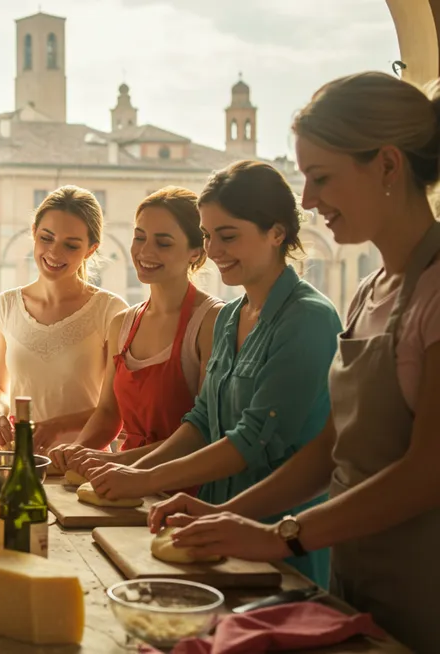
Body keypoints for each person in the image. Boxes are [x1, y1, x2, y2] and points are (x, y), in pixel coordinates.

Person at [149, 72, 440, 651]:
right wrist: (229, 518)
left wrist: (282, 535)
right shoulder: (371, 291)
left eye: (321, 177)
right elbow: (330, 449)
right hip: (353, 580)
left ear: (387, 165)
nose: (307, 200)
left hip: (423, 588)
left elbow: (426, 473)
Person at [84, 160, 341, 586]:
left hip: (278, 531)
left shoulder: (308, 319)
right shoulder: (230, 317)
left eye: (228, 236)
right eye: (208, 236)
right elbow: (202, 421)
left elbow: (251, 440)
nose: (215, 250)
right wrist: (135, 473)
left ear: (277, 233)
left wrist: (145, 477)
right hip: (217, 521)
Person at [50, 188, 222, 474]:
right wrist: (78, 449)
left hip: (184, 490)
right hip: (123, 483)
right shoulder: (123, 323)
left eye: (163, 243)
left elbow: (204, 434)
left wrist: (118, 462)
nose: (145, 251)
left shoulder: (211, 321)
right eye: (139, 237)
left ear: (196, 251)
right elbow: (108, 413)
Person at [0, 187, 128, 453]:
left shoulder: (111, 310)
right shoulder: (6, 306)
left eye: (71, 245)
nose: (54, 253)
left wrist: (57, 426)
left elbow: (115, 408)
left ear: (90, 250)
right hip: (17, 461)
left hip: (83, 463)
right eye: (46, 238)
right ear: (34, 232)